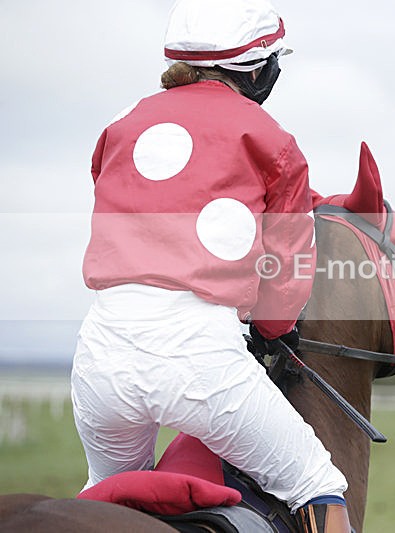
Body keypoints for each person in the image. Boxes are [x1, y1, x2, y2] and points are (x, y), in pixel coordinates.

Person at [71, 0, 351, 529]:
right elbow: (286, 278)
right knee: (318, 484)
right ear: (256, 68)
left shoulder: (121, 124)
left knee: (102, 499)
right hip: (199, 360)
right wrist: (272, 329)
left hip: (100, 359)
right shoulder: (272, 138)